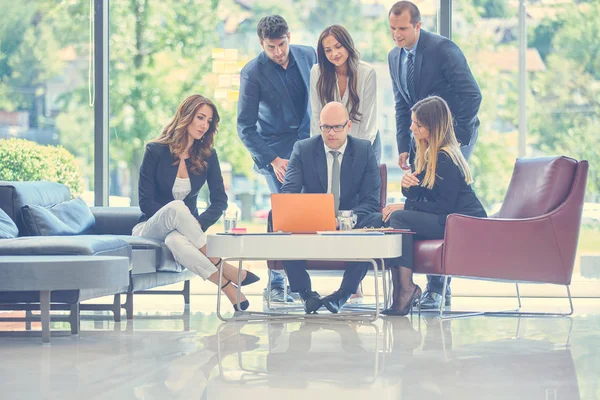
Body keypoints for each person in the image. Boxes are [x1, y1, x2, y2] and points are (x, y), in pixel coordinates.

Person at [387, 1, 482, 309]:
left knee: (444, 200)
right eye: (392, 29)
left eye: (402, 29)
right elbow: (403, 105)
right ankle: (411, 284)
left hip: (451, 135)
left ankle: (438, 287)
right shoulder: (394, 58)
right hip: (420, 137)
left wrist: (450, 139)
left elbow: (471, 95)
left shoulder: (443, 49)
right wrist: (405, 144)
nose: (396, 35)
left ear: (417, 25)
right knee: (419, 196)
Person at [134, 94, 260, 311]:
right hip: (149, 227)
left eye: (209, 121)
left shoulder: (208, 156)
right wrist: (178, 219)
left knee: (176, 241)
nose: (204, 125)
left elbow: (220, 201)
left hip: (185, 233)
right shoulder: (155, 151)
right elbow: (146, 202)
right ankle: (220, 263)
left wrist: (196, 225)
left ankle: (228, 288)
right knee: (176, 208)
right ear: (186, 116)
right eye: (200, 117)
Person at [380, 96, 487, 316]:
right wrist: (408, 187)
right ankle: (402, 289)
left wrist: (405, 206)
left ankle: (405, 289)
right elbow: (424, 195)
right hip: (448, 219)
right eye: (412, 122)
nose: (412, 128)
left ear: (433, 127)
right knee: (388, 218)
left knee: (400, 218)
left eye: (418, 125)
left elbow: (442, 206)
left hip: (463, 223)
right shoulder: (428, 154)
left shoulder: (445, 158)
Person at [237, 15, 317, 303]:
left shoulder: (309, 55)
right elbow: (244, 127)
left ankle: (305, 281)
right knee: (283, 216)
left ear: (289, 37)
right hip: (275, 153)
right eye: (271, 47)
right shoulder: (252, 73)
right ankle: (277, 280)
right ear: (261, 43)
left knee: (313, 213)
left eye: (282, 44)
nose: (278, 52)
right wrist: (273, 160)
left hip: (309, 146)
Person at [279, 101, 382, 314]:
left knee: (375, 219)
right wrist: (311, 215)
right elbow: (288, 192)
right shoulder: (304, 148)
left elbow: (371, 201)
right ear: (320, 126)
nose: (331, 133)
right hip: (313, 221)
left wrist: (344, 219)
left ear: (349, 126)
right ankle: (306, 293)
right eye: (326, 127)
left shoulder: (364, 150)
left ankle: (344, 293)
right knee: (276, 216)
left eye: (337, 127)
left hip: (351, 221)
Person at [310, 25, 380, 163]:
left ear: (348, 45)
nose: (334, 53)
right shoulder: (317, 72)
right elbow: (316, 116)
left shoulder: (367, 73)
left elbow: (368, 122)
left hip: (364, 143)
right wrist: (319, 152)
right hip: (331, 144)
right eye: (328, 50)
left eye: (338, 46)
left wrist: (354, 156)